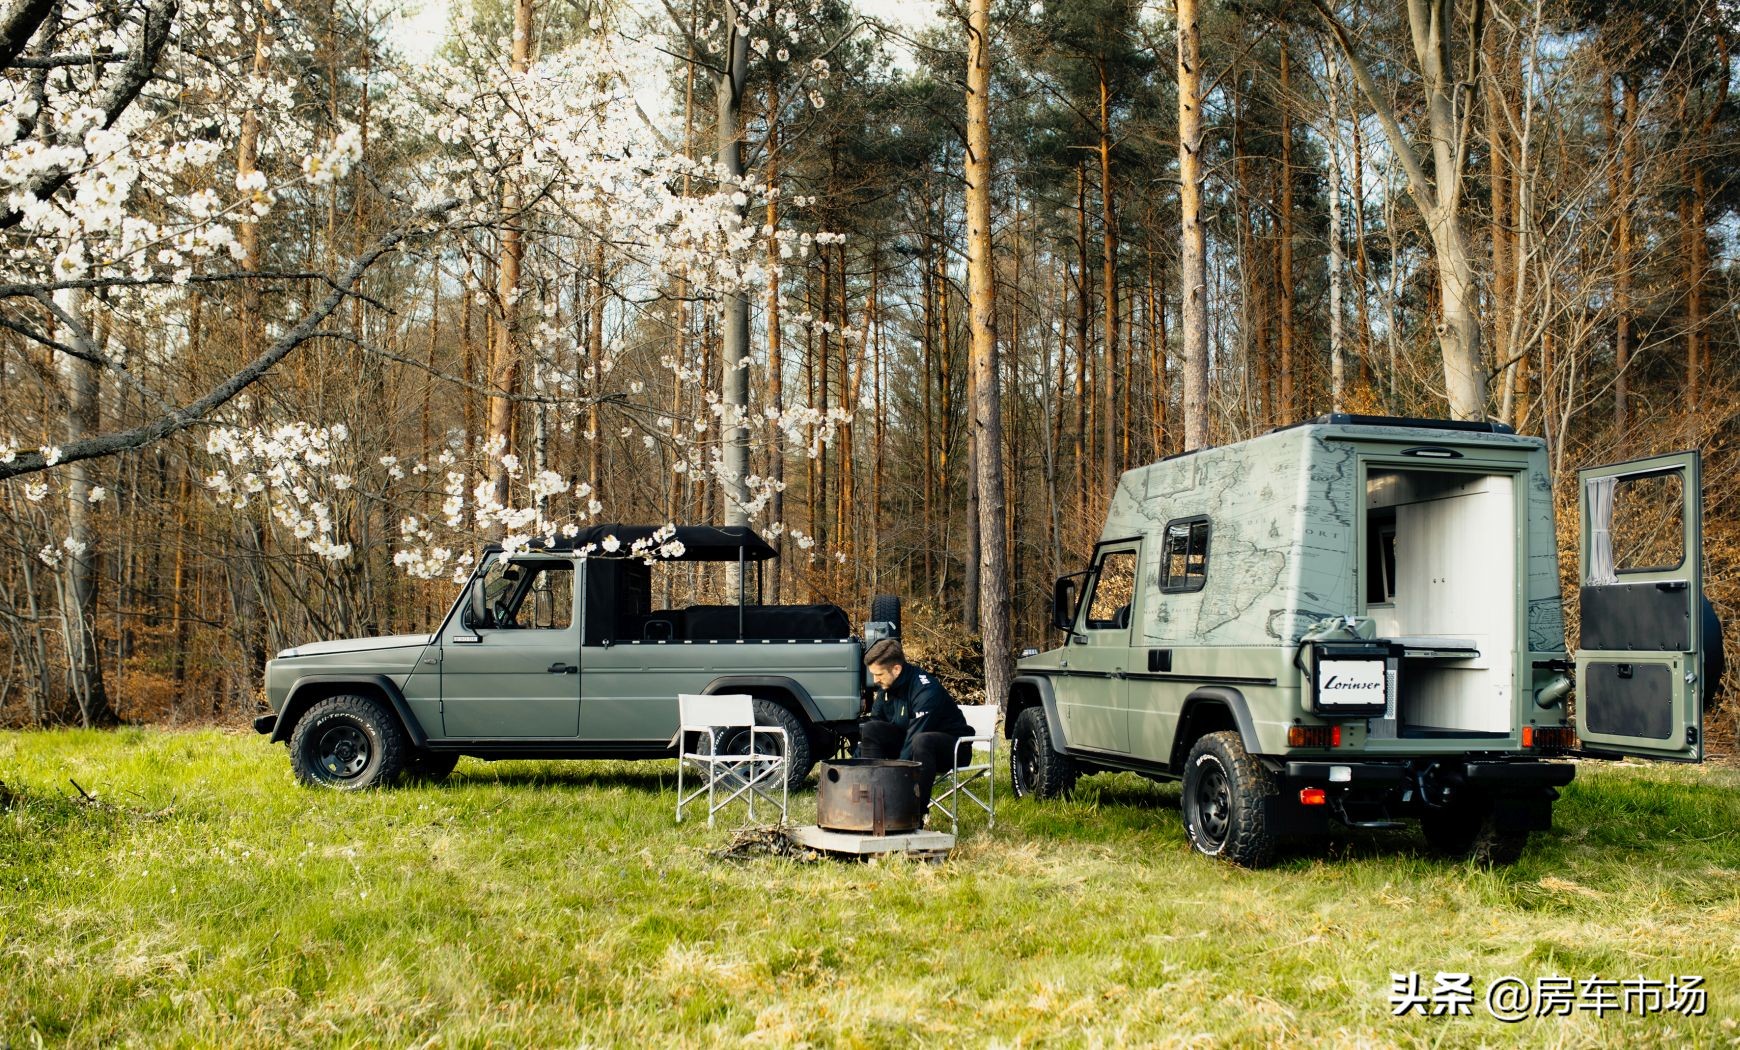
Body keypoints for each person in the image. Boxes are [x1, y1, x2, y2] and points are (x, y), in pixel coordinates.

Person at [859, 638, 971, 812]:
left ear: (896, 669)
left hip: (953, 748)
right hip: (910, 741)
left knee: (922, 741)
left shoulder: (925, 690)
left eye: (879, 674)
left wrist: (897, 781)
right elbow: (875, 724)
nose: (875, 680)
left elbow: (913, 740)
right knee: (871, 729)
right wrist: (854, 763)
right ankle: (871, 804)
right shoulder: (887, 688)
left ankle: (911, 813)